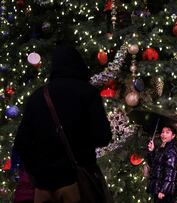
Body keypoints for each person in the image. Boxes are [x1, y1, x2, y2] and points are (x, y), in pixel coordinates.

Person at [13, 44, 113, 203]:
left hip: (44, 188)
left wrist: (38, 173)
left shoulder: (37, 97)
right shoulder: (88, 93)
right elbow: (103, 136)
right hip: (76, 184)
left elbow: (21, 144)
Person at [147, 123, 177, 203]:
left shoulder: (171, 151)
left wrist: (163, 190)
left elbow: (170, 173)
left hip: (164, 192)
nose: (163, 134)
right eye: (162, 132)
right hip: (158, 189)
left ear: (173, 136)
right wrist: (152, 151)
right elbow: (153, 165)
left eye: (167, 132)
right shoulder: (162, 148)